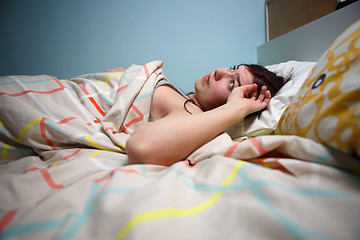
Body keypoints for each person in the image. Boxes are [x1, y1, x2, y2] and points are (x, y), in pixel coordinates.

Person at [106, 64, 287, 166]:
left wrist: (235, 109)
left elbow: (141, 147)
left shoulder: (189, 111)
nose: (220, 72)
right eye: (232, 68)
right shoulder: (184, 99)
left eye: (232, 84)